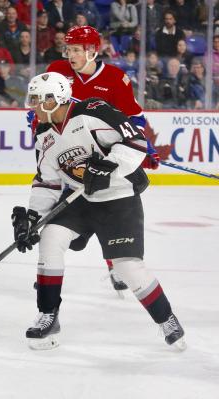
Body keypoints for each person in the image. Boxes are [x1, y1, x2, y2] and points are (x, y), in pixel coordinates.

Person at [15, 71, 186, 351]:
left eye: (37, 100)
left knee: (126, 266)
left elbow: (135, 142)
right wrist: (32, 217)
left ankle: (166, 318)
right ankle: (48, 314)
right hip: (80, 200)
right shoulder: (44, 134)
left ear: (54, 99)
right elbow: (48, 180)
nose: (32, 106)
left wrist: (109, 166)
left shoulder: (93, 111)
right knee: (50, 238)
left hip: (118, 197)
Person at [31, 25, 161, 294]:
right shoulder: (57, 70)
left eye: (76, 49)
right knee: (57, 217)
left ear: (93, 51)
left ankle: (116, 264)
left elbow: (133, 119)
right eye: (67, 49)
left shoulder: (115, 78)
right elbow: (39, 107)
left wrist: (145, 146)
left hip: (102, 161)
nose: (69, 55)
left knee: (109, 207)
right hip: (68, 157)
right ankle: (49, 268)